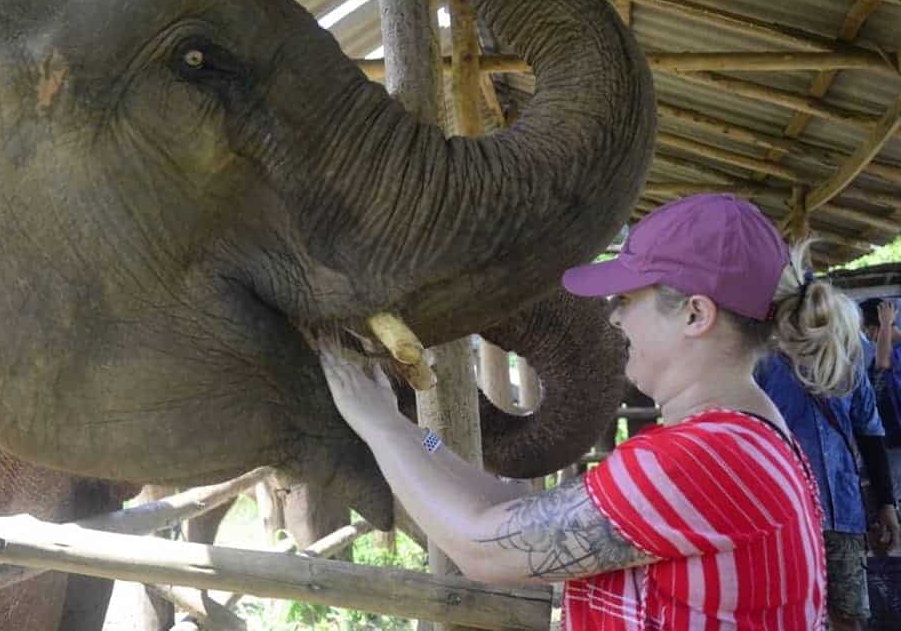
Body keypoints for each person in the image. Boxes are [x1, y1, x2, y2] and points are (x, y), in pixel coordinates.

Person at [319, 193, 862, 628]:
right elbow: (519, 511)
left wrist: (377, 424)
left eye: (626, 299)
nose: (614, 319)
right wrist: (420, 440)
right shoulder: (752, 435)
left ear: (695, 313)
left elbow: (483, 549)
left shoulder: (699, 458)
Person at [756, 342, 900, 630]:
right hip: (782, 520)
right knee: (789, 615)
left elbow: (869, 433)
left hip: (842, 512)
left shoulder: (847, 360)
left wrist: (886, 504)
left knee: (849, 615)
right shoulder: (758, 363)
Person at [863, 298, 901, 515]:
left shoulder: (889, 351)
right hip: (890, 434)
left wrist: (885, 324)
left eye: (867, 331)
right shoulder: (879, 352)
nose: (867, 337)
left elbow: (883, 363)